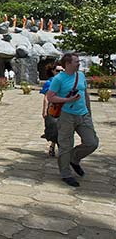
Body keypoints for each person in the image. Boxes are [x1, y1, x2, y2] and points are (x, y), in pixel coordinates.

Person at [46, 53, 99, 187]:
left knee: (92, 142)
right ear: (68, 64)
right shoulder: (59, 79)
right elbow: (50, 97)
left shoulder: (81, 76)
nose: (79, 63)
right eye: (76, 61)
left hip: (83, 114)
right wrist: (67, 100)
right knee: (65, 146)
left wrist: (89, 111)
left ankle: (74, 159)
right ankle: (66, 174)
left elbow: (85, 94)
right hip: (66, 115)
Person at [41, 65, 63, 157]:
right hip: (53, 108)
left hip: (65, 107)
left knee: (63, 128)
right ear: (53, 71)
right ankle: (56, 147)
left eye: (62, 70)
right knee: (55, 128)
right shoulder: (50, 82)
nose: (60, 72)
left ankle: (56, 147)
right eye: (58, 71)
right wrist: (44, 110)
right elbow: (46, 98)